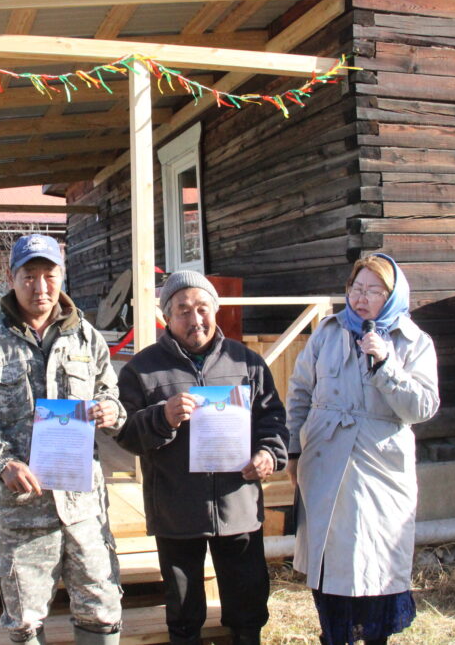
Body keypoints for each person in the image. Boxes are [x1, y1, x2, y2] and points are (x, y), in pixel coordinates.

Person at [0, 234, 126, 645]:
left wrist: (110, 411)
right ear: (11, 278)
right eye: (29, 276)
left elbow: (111, 393)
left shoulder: (86, 337)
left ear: (62, 276)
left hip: (83, 507)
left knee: (101, 609)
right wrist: (1, 462)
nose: (40, 287)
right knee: (24, 619)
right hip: (22, 510)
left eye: (49, 275)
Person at [116, 270, 288, 645]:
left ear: (215, 309)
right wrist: (162, 417)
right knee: (184, 610)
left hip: (238, 504)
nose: (195, 319)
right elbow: (125, 434)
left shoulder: (247, 363)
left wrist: (268, 453)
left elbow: (272, 418)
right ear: (167, 316)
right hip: (176, 509)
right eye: (183, 310)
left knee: (248, 604)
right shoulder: (142, 370)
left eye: (202, 308)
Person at [285, 253, 440, 645]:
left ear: (392, 295)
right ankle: (334, 635)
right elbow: (300, 390)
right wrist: (293, 450)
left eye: (373, 290)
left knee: (375, 561)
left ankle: (373, 637)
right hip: (324, 457)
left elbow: (422, 408)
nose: (361, 298)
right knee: (329, 561)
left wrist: (385, 363)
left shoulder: (414, 341)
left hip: (379, 464)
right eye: (356, 288)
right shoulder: (327, 332)